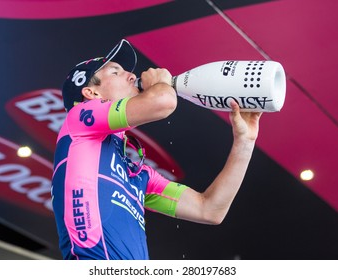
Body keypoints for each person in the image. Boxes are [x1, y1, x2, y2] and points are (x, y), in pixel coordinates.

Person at [51, 39, 262, 260]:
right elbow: (162, 102)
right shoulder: (79, 119)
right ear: (91, 94)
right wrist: (162, 83)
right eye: (115, 72)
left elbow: (209, 210)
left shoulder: (136, 174)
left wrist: (244, 141)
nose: (132, 76)